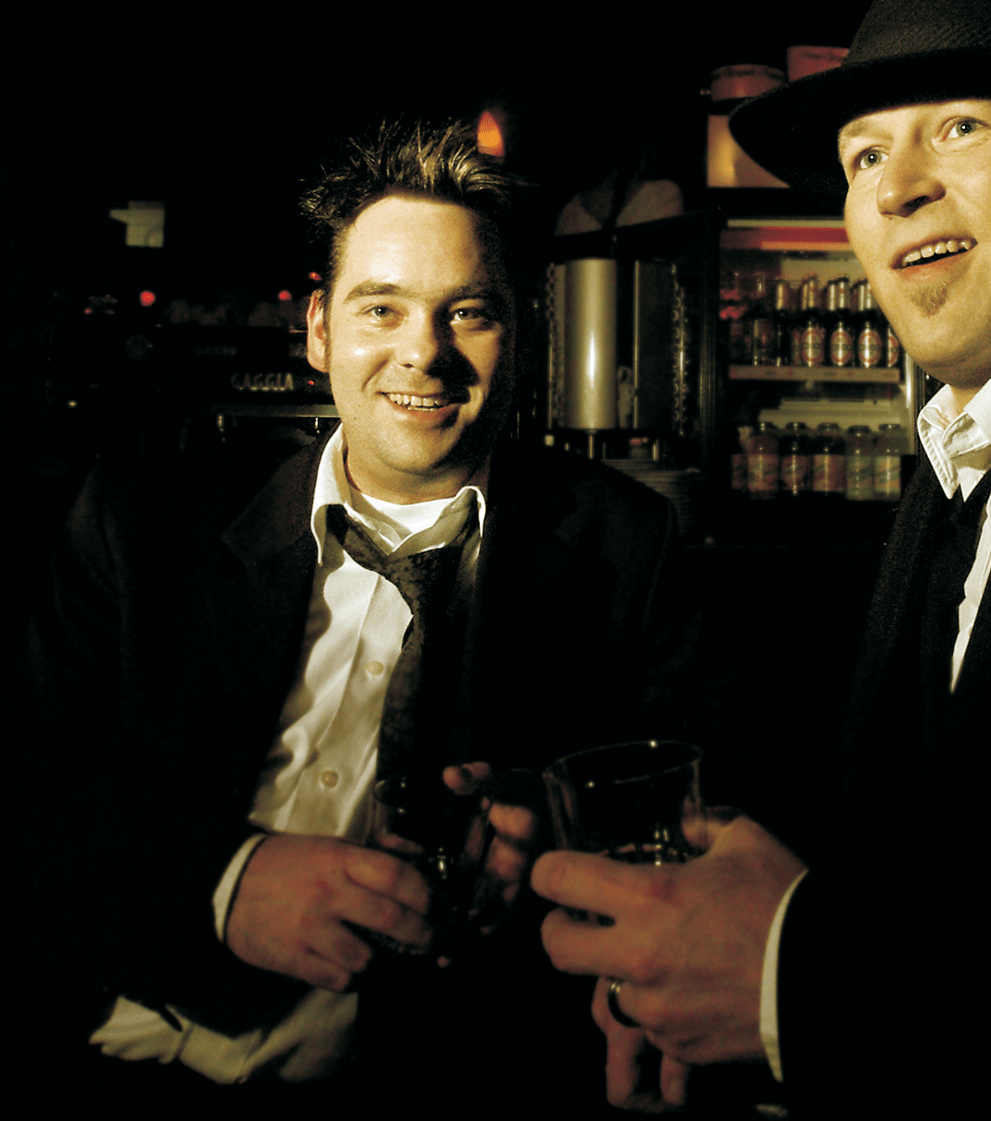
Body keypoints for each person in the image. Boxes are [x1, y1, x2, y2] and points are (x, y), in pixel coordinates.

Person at [533, 0, 991, 1110]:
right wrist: (698, 933)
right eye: (863, 154)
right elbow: (962, 850)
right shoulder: (961, 460)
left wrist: (794, 977)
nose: (894, 185)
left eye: (956, 127)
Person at [24, 118, 699, 1106]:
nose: (423, 353)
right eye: (381, 308)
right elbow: (29, 788)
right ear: (319, 330)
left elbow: (688, 811)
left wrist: (555, 828)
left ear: (520, 335)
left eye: (468, 312)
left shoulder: (628, 546)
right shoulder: (141, 523)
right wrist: (221, 882)